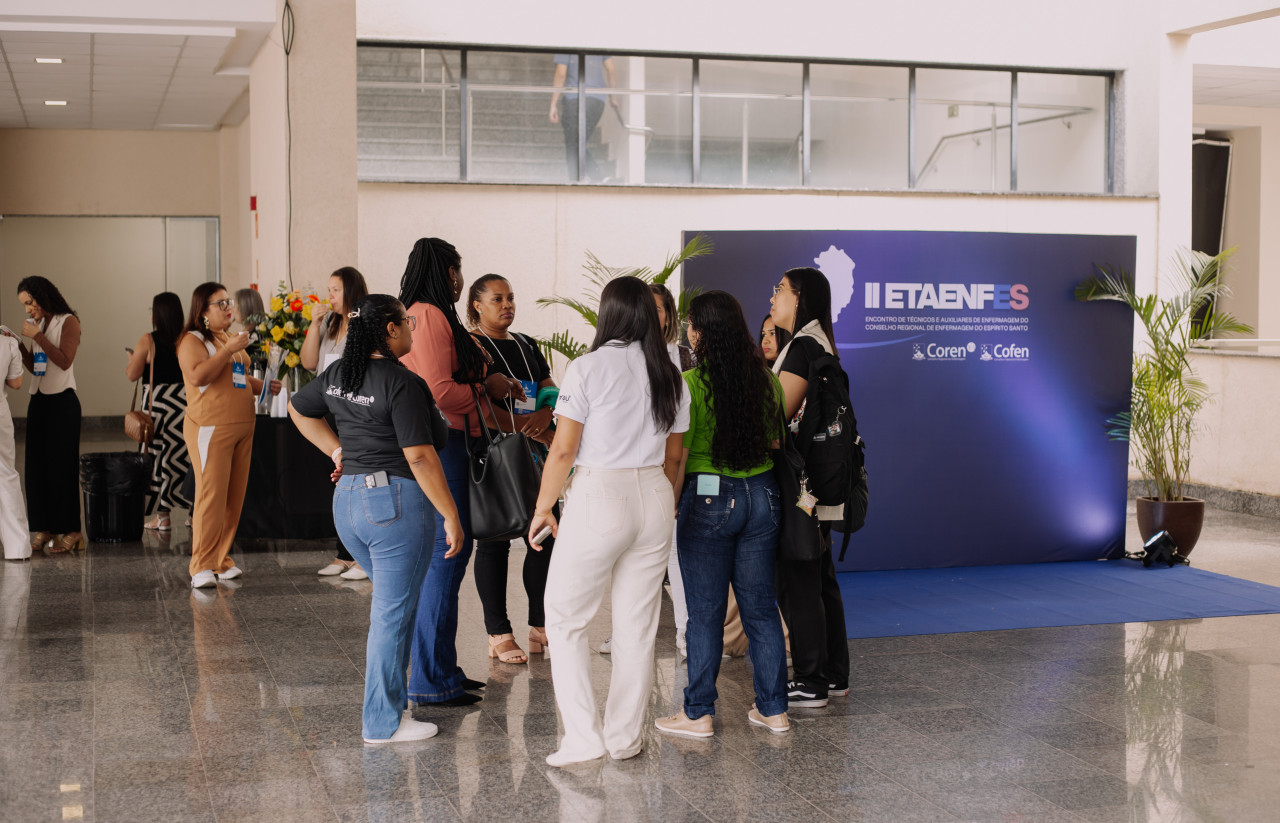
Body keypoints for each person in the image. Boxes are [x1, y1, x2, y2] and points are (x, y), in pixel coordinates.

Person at [528, 275, 689, 767]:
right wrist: (661, 502)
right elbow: (675, 457)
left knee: (564, 617)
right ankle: (624, 739)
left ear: (610, 313)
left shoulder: (588, 367)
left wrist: (543, 507)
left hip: (601, 493)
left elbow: (564, 450)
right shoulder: (670, 374)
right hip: (656, 495)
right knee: (637, 626)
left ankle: (583, 739)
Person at [290, 294, 461, 744]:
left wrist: (337, 450)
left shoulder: (339, 375)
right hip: (394, 506)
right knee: (391, 615)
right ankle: (382, 724)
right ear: (389, 329)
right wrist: (451, 514)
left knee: (393, 611)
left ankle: (393, 710)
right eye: (407, 322)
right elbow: (420, 456)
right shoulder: (402, 382)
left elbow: (298, 408)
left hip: (348, 503)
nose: (411, 329)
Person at [655, 290, 791, 738]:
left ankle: (698, 713)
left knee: (705, 613)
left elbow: (678, 457)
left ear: (700, 333)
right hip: (762, 496)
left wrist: (670, 507)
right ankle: (773, 710)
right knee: (761, 610)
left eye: (691, 325)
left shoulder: (690, 384)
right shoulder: (767, 380)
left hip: (709, 499)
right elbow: (774, 443)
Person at [398, 238, 519, 706]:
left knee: (452, 552)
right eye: (457, 270)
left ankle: (442, 668)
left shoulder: (428, 314)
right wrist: (485, 394)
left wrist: (486, 381)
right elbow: (439, 390)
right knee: (445, 555)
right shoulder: (428, 314)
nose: (459, 279)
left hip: (451, 441)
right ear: (447, 272)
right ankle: (429, 679)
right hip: (445, 442)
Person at [768, 266, 851, 708]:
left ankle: (810, 680)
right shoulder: (820, 343)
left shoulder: (802, 349)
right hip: (821, 481)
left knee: (799, 577)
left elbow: (773, 417)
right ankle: (833, 675)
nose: (773, 297)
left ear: (799, 298)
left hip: (801, 485)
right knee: (819, 577)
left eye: (780, 289)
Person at [466, 274, 558, 665]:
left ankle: (539, 625)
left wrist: (546, 413)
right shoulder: (470, 346)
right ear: (477, 305)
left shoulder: (526, 343)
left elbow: (549, 386)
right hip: (494, 453)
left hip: (535, 451)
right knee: (495, 539)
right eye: (497, 299)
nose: (507, 305)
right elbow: (476, 404)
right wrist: (523, 426)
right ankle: (498, 632)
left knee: (544, 535)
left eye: (511, 298)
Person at [178, 282, 279, 589]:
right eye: (220, 304)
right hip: (211, 427)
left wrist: (263, 386)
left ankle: (221, 560)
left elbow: (236, 377)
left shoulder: (225, 337)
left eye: (228, 302)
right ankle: (201, 565)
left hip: (242, 425)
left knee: (232, 499)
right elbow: (198, 376)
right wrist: (227, 350)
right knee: (210, 497)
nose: (228, 308)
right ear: (202, 311)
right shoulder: (192, 340)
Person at [299, 266, 371, 580]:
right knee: (337, 482)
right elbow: (308, 362)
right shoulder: (329, 322)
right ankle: (344, 554)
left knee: (354, 481)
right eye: (329, 290)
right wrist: (314, 325)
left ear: (351, 291)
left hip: (353, 410)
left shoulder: (364, 322)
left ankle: (362, 557)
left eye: (335, 290)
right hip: (327, 409)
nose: (329, 296)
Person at [14, 276, 83, 554]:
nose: (28, 309)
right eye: (25, 305)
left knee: (62, 469)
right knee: (36, 469)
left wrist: (36, 336)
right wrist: (19, 346)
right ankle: (45, 527)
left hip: (63, 403)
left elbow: (65, 360)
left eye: (30, 302)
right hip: (39, 401)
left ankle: (73, 531)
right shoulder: (39, 325)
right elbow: (37, 367)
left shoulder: (69, 322)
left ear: (43, 296)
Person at [125, 292, 192, 531]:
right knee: (187, 456)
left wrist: (132, 359)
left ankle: (162, 517)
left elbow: (132, 374)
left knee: (157, 457)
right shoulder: (187, 338)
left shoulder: (148, 340)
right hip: (185, 403)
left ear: (156, 315)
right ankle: (194, 513)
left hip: (158, 405)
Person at [549, 54, 617, 181]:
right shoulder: (599, 42)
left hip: (574, 100)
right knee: (577, 143)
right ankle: (594, 178)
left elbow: (561, 73)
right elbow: (611, 69)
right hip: (597, 101)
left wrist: (553, 103)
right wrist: (613, 97)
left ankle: (581, 180)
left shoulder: (564, 43)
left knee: (573, 144)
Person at [0, 330, 27, 560]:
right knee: (6, 475)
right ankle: (17, 547)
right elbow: (16, 383)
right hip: (0, 415)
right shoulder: (7, 342)